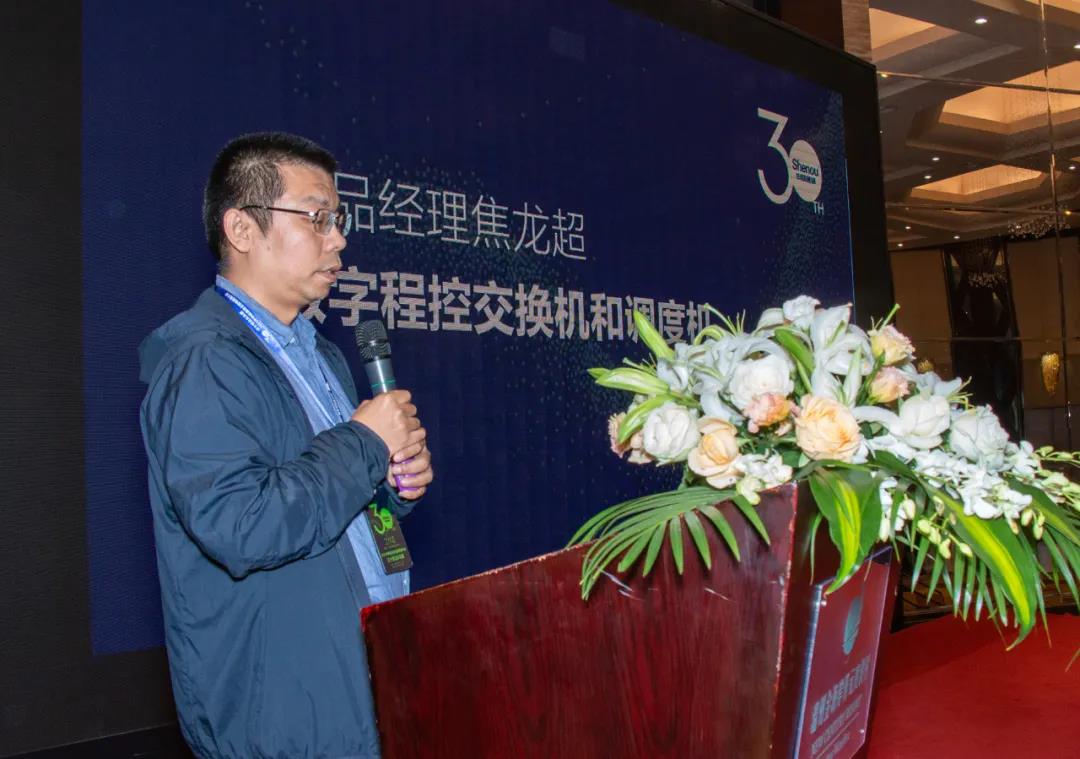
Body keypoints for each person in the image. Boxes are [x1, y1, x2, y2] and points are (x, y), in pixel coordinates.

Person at [138, 132, 433, 758]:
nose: (339, 239)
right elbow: (242, 524)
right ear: (242, 229)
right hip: (288, 716)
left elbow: (331, 501)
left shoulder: (320, 353)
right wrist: (365, 443)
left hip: (367, 677)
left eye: (339, 220)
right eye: (317, 218)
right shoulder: (205, 361)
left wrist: (391, 483)